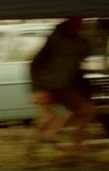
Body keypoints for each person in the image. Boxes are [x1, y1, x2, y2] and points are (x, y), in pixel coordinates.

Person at [28, 17, 96, 157]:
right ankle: (32, 148)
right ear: (69, 23)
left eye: (80, 23)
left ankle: (76, 147)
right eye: (77, 22)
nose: (80, 25)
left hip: (64, 86)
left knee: (88, 111)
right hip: (47, 85)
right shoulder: (54, 40)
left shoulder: (78, 41)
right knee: (49, 117)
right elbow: (35, 65)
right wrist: (38, 89)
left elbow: (78, 65)